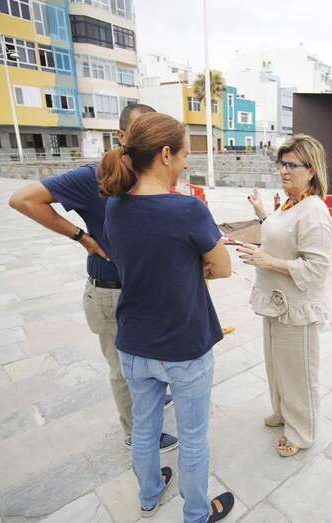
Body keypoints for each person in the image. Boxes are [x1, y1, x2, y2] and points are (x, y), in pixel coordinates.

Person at [8, 104, 179, 453]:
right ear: (121, 137)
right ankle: (138, 435)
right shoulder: (94, 176)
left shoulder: (153, 175)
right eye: (140, 131)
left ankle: (150, 403)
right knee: (122, 368)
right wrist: (81, 237)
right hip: (111, 292)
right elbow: (23, 199)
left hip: (145, 291)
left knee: (146, 362)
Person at [100, 112, 234, 521]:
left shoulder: (114, 208)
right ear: (163, 155)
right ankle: (196, 513)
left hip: (134, 343)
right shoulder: (186, 210)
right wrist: (198, 262)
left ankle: (148, 494)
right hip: (183, 346)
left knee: (144, 427)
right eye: (183, 155)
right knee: (193, 436)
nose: (186, 163)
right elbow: (224, 266)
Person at [239, 134, 332, 458]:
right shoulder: (290, 204)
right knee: (277, 367)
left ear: (311, 170)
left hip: (297, 309)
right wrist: (263, 214)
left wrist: (268, 261)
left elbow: (317, 269)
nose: (284, 170)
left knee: (298, 374)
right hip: (275, 303)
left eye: (292, 165)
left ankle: (301, 431)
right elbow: (281, 233)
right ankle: (282, 412)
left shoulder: (315, 212)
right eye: (282, 163)